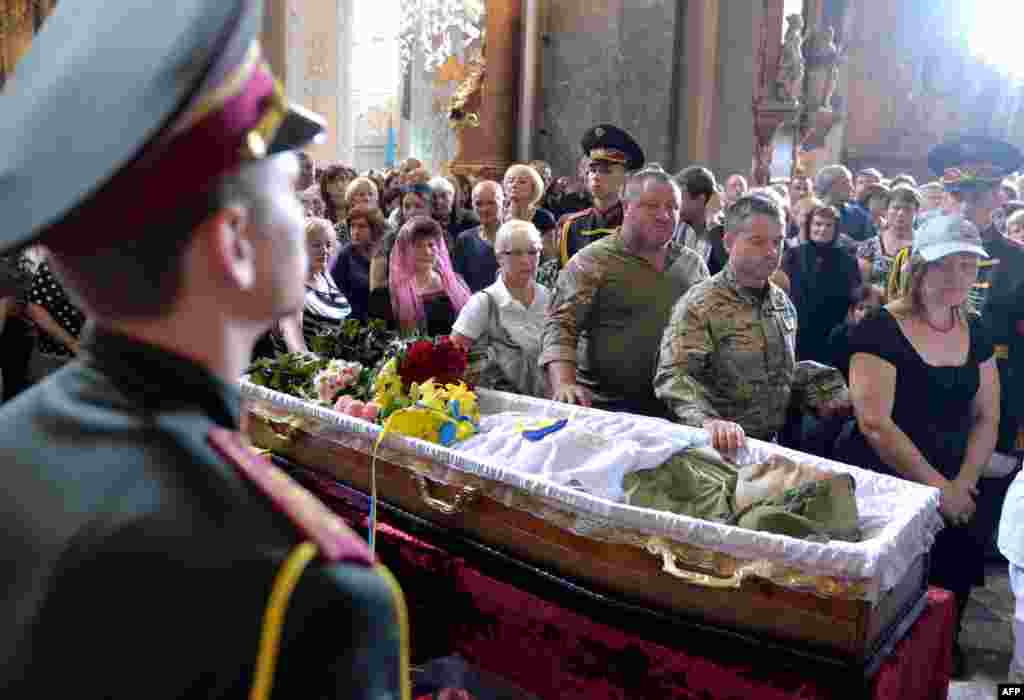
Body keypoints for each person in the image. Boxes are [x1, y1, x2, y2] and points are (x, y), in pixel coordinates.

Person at [0, 2, 406, 696]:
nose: (309, 217)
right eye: (288, 191)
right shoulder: (310, 588)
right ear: (236, 246)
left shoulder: (13, 438)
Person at [835, 214, 999, 678]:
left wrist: (964, 482)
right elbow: (875, 423)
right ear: (922, 265)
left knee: (950, 579)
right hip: (888, 473)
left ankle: (941, 653)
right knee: (887, 589)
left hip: (955, 474)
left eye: (968, 267)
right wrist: (937, 489)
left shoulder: (977, 330)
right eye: (948, 264)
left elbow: (988, 416)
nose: (957, 278)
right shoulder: (879, 328)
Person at [655, 194, 852, 454]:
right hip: (709, 450)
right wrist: (708, 421)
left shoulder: (781, 303)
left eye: (778, 242)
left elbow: (777, 372)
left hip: (765, 448)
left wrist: (823, 387)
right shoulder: (700, 304)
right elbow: (674, 376)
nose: (771, 252)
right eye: (757, 241)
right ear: (728, 242)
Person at [540, 166, 708, 418]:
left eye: (672, 207)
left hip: (674, 411)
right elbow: (560, 326)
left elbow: (707, 333)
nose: (664, 216)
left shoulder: (691, 265)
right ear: (627, 207)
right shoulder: (592, 261)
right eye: (651, 206)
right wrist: (564, 384)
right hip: (604, 409)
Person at [451, 220, 549, 397]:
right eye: (516, 253)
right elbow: (451, 358)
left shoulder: (548, 297)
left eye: (533, 252)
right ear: (499, 257)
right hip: (498, 410)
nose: (526, 260)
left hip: (546, 404)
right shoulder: (483, 303)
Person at [781, 203, 862, 364]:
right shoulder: (792, 256)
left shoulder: (848, 261)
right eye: (817, 224)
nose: (822, 229)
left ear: (836, 229)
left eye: (828, 225)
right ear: (809, 226)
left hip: (832, 335)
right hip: (797, 332)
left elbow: (854, 297)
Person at [555, 124, 645, 268]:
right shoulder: (573, 226)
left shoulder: (639, 224)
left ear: (625, 177)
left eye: (606, 171)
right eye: (592, 170)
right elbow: (565, 280)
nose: (596, 176)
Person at [368, 216, 471, 336]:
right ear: (404, 251)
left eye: (431, 245)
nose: (427, 252)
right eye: (418, 246)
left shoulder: (457, 285)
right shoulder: (384, 296)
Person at [26, 248, 88, 380]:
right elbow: (35, 309)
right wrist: (73, 344)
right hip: (55, 357)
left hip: (96, 353)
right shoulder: (51, 263)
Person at [332, 205, 390, 323]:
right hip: (354, 321)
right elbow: (336, 293)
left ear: (375, 229)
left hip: (385, 319)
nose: (356, 232)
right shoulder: (345, 255)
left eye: (362, 226)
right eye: (352, 226)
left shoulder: (387, 253)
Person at [856, 185, 920, 286]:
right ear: (886, 211)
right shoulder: (869, 246)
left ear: (916, 212)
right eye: (896, 208)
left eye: (907, 209)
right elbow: (862, 286)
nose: (900, 213)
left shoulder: (927, 245)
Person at [825, 283, 885, 381]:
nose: (864, 314)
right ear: (852, 312)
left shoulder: (886, 340)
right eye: (860, 308)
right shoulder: (839, 335)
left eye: (870, 308)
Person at [451, 180, 504, 292]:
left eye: (491, 203)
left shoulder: (517, 237)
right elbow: (458, 281)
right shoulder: (465, 239)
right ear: (472, 205)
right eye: (479, 204)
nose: (485, 209)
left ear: (503, 202)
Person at [815, 164, 876, 243]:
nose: (851, 187)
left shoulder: (860, 215)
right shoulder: (810, 211)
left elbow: (870, 247)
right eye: (846, 182)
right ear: (831, 185)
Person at [672, 166, 719, 267]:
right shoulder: (676, 231)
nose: (676, 205)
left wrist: (712, 224)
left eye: (681, 198)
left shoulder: (721, 239)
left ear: (700, 200)